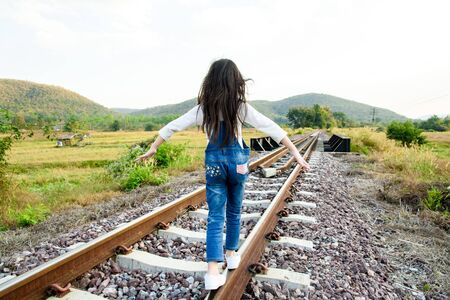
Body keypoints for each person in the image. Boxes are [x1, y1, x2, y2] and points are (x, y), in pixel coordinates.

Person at [135, 58, 310, 290]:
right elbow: (271, 127)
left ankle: (212, 271)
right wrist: (295, 153)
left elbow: (174, 125)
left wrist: (154, 147)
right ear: (235, 81)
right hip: (238, 166)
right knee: (235, 211)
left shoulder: (203, 109)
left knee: (216, 216)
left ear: (210, 82)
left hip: (215, 166)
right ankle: (231, 254)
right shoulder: (240, 107)